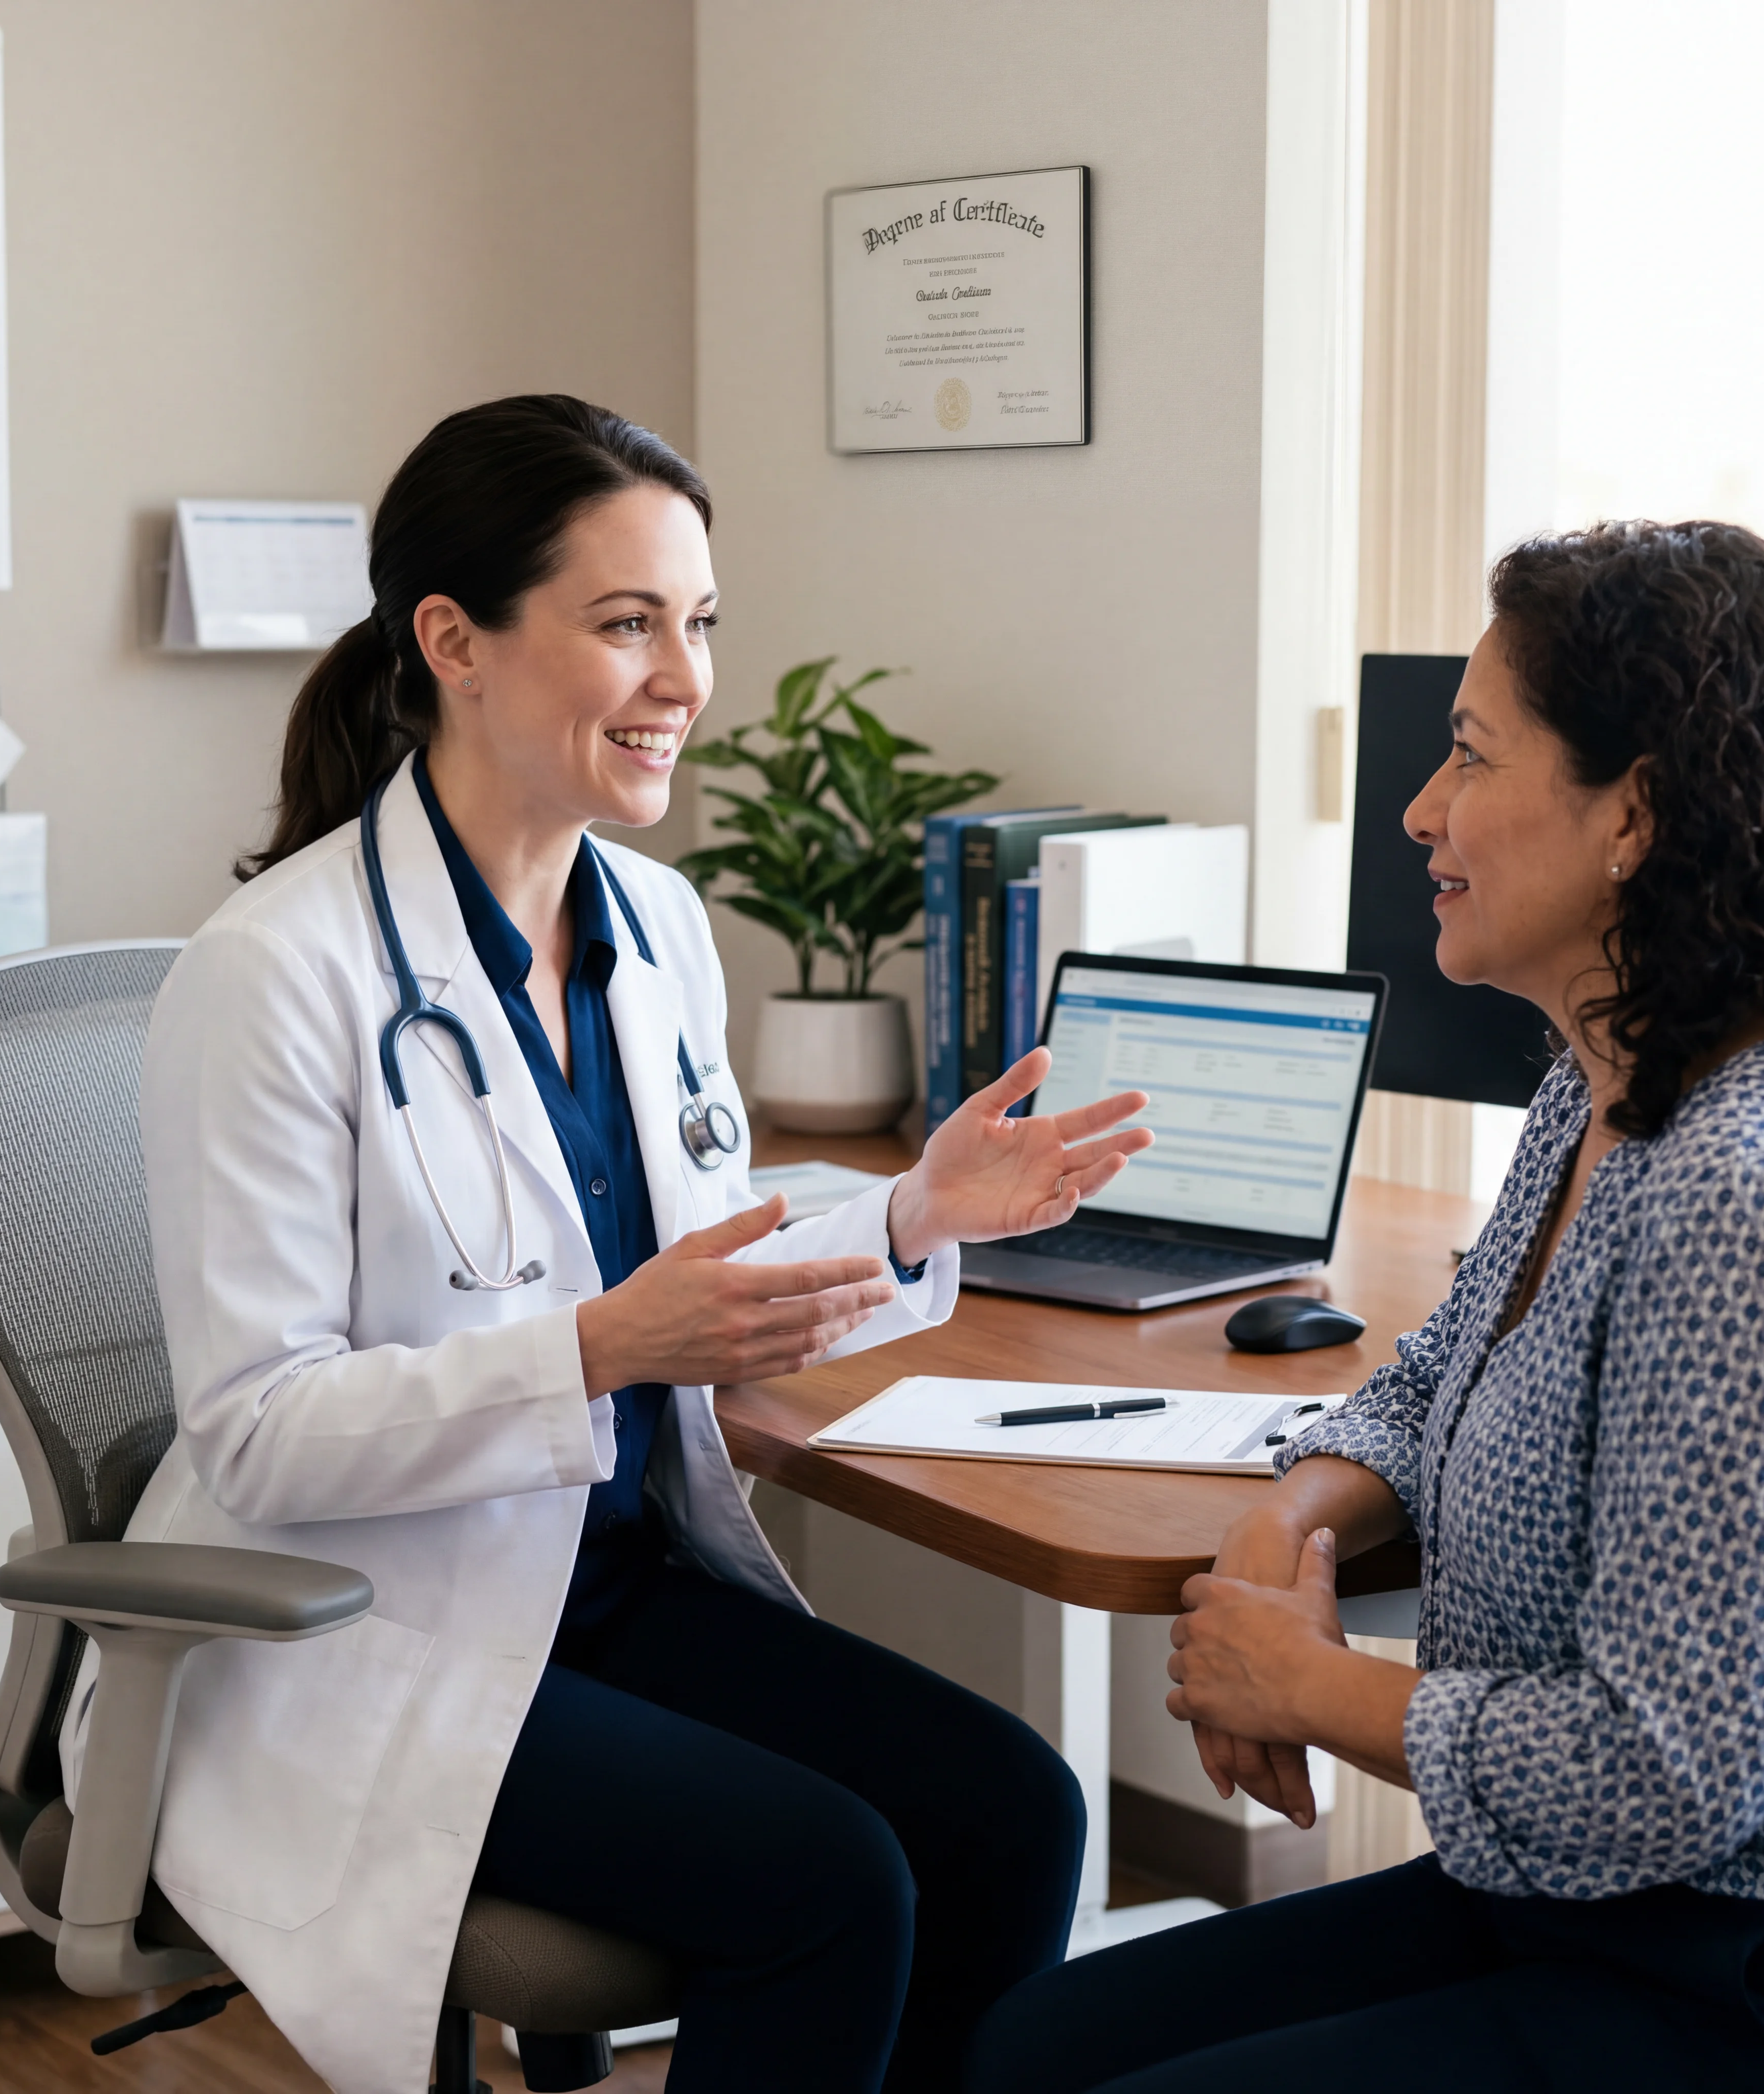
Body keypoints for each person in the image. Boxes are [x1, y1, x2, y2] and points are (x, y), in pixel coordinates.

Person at [70, 395, 1154, 2094]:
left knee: (1015, 1817)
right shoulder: (275, 975)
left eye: (699, 621)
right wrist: (598, 1353)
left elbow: (694, 1269)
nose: (685, 679)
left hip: (608, 1586)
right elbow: (259, 1435)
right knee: (830, 1885)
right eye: (627, 622)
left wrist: (909, 1213)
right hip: (366, 1624)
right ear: (456, 642)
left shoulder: (652, 925)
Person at [966, 521, 1764, 2094]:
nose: (1421, 811)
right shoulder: (1611, 1083)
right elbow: (1444, 1371)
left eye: (1471, 758)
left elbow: (1662, 1769)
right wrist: (1284, 1520)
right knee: (1029, 2050)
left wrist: (1304, 1682)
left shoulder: (1760, 1191)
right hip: (1593, 1909)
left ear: (1633, 812)